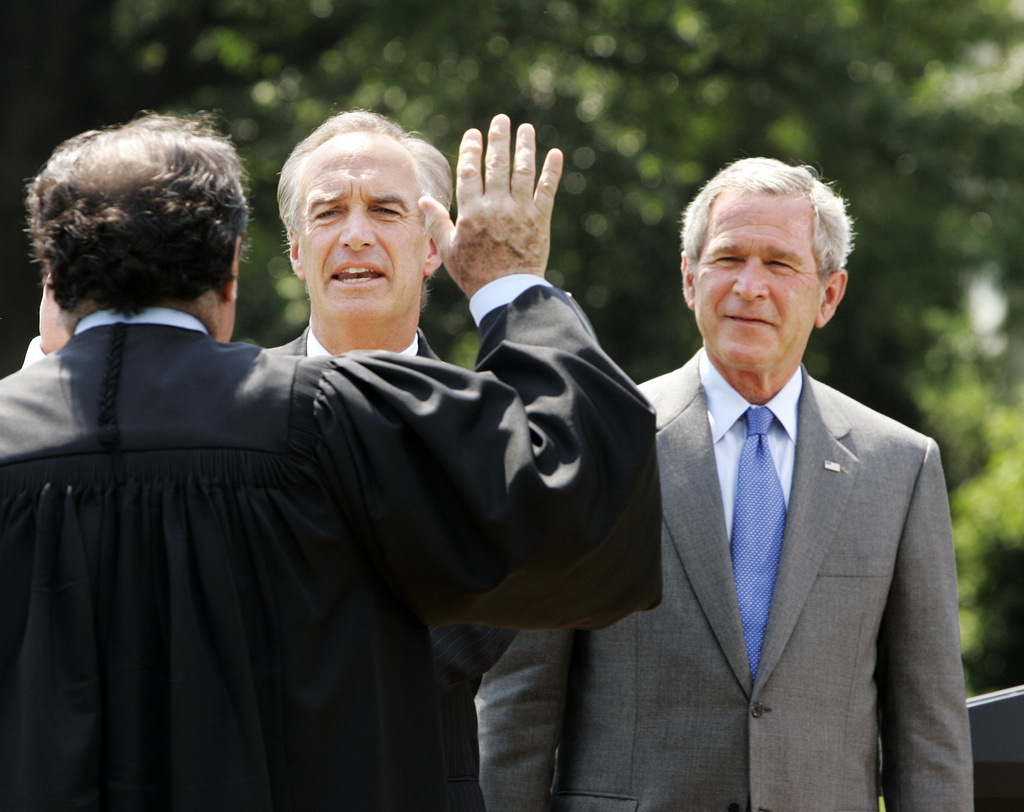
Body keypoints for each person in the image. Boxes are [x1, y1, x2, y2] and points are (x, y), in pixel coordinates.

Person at [0, 111, 663, 811]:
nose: (355, 234)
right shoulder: (317, 418)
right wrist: (512, 287)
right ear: (232, 271)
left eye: (383, 210)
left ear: (55, 276)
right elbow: (583, 501)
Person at [477, 157, 973, 811]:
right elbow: (517, 710)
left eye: (780, 263)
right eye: (729, 258)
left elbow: (930, 733)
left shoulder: (900, 467)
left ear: (829, 295)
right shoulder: (590, 445)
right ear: (689, 278)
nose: (749, 286)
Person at [270, 109, 517, 812]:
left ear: (433, 245)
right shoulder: (224, 416)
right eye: (328, 213)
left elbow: (470, 632)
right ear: (295, 249)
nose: (356, 235)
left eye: (384, 210)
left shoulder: (490, 426)